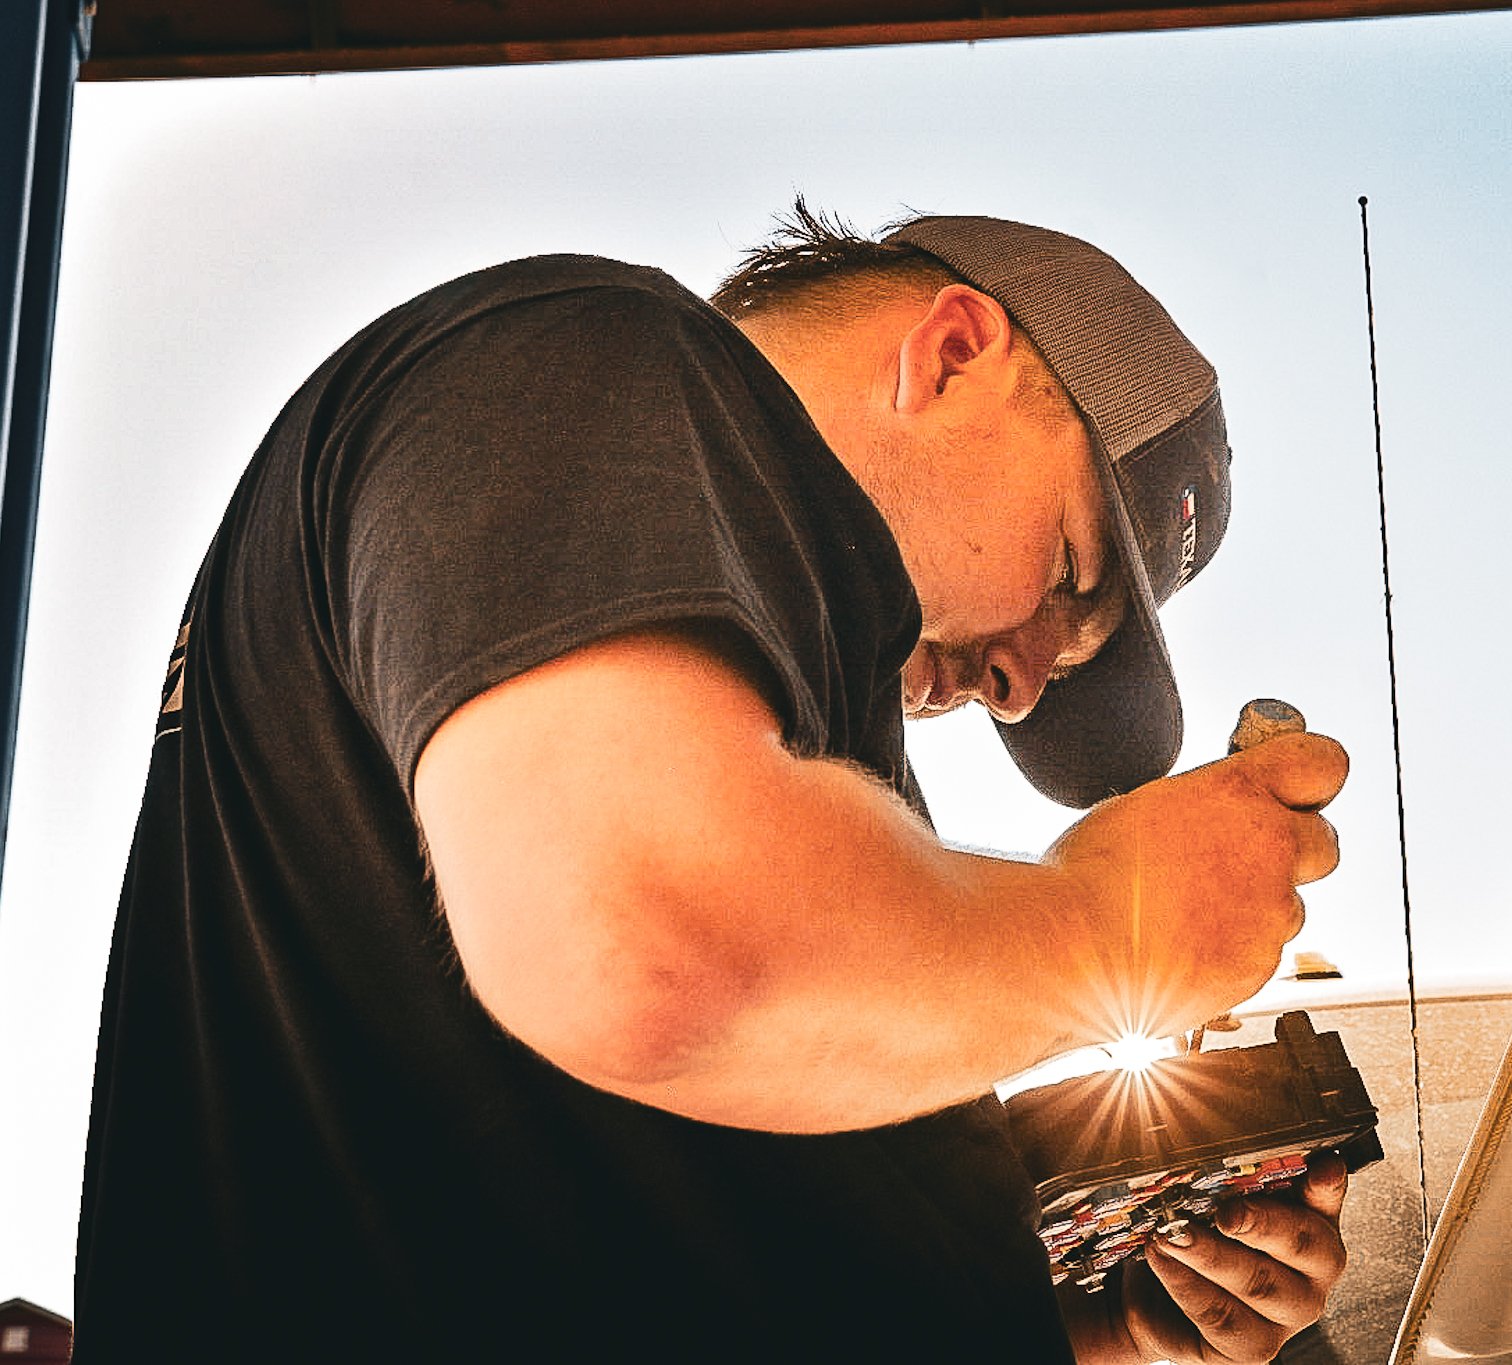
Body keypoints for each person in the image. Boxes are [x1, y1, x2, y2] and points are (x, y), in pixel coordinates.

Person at [74, 203, 1352, 1362]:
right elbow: (647, 955)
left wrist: (1093, 1325)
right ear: (952, 352)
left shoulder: (802, 782)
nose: (1017, 685)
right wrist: (1096, 930)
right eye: (1069, 570)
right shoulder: (582, 350)